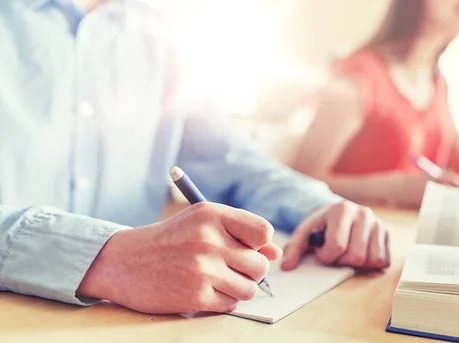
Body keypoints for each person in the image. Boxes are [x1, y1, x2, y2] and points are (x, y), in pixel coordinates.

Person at [0, 0, 390, 315]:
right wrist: (105, 258)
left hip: (124, 329)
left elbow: (227, 156)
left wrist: (318, 206)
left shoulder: (156, 35)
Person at [290, 0, 459, 209]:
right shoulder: (356, 80)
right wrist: (396, 188)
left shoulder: (436, 82)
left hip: (408, 239)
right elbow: (298, 180)